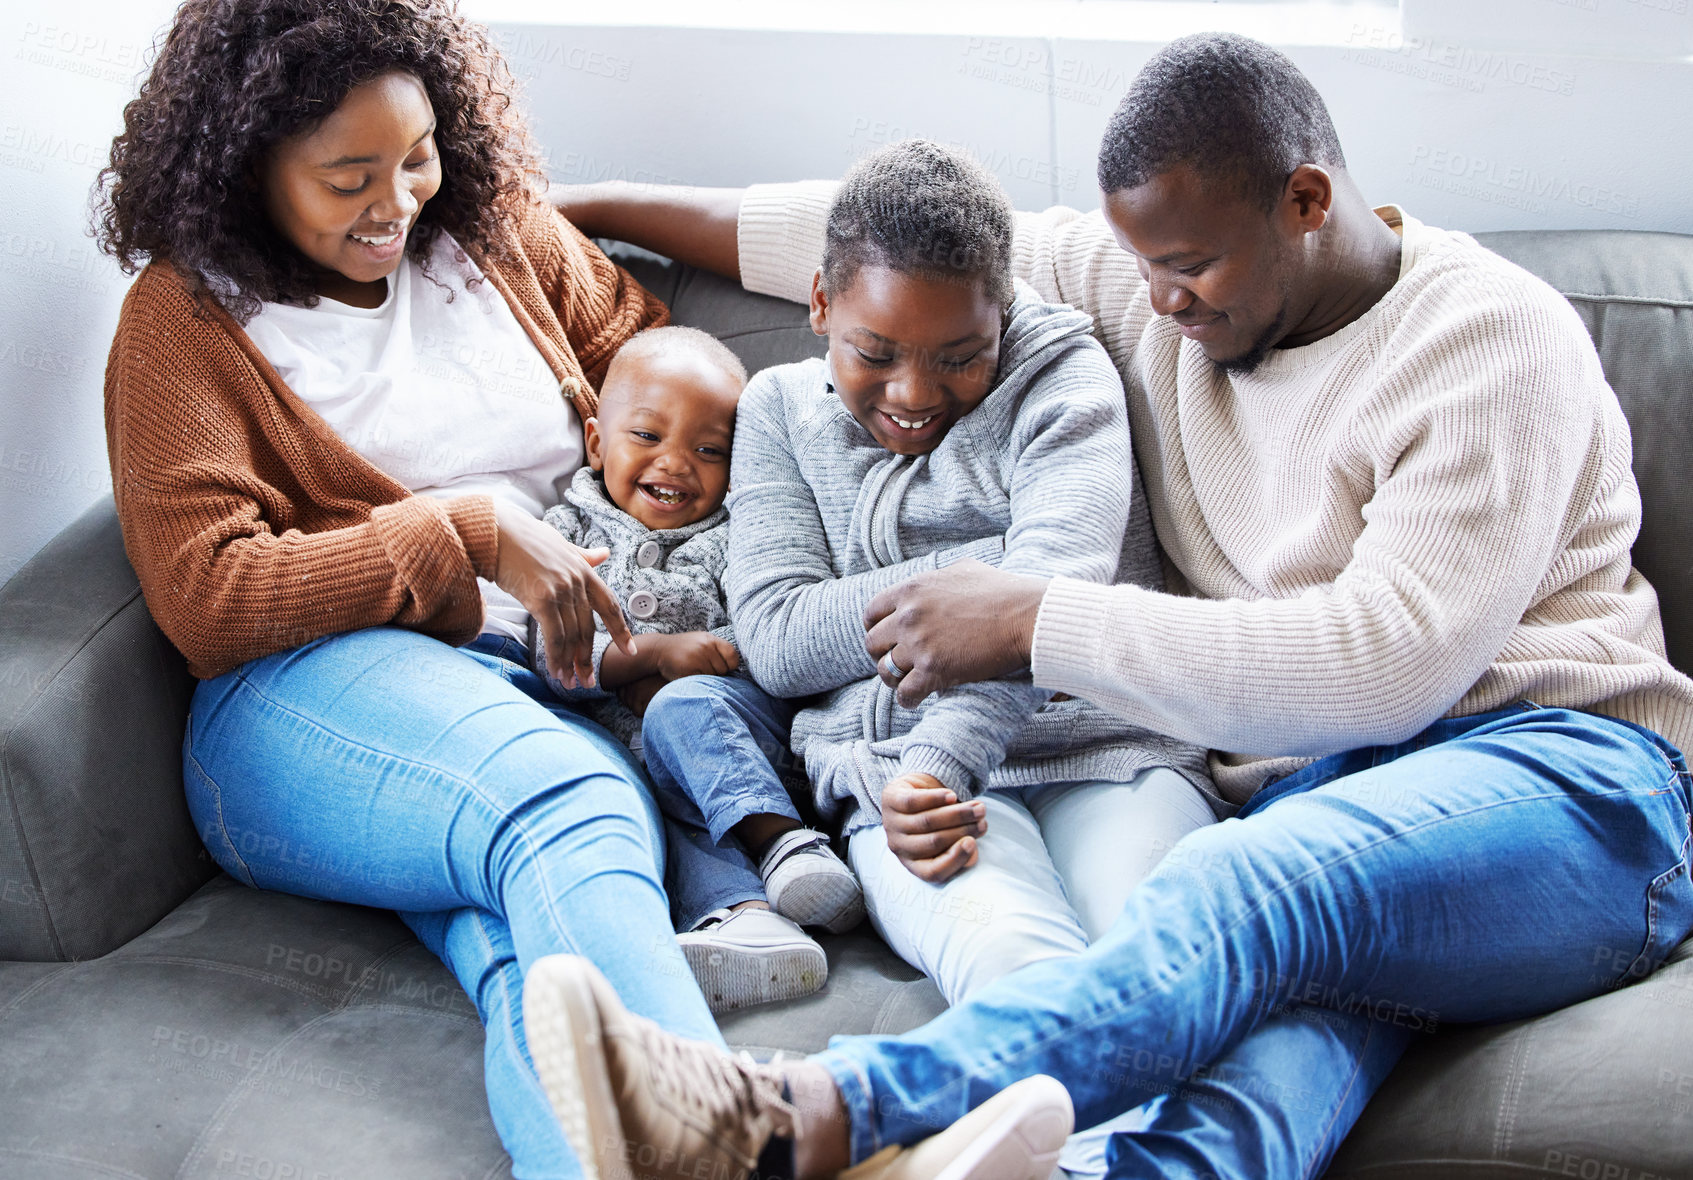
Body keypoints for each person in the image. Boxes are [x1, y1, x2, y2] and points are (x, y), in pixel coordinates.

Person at [522, 31, 1693, 1180]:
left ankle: (794, 1119)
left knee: (1239, 884)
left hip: (1571, 777)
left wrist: (1032, 619)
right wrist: (557, 205)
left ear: (1304, 199)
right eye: (1142, 267)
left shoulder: (1488, 342)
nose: (1159, 303)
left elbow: (1386, 666)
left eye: (1187, 268)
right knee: (1249, 1078)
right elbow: (839, 227)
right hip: (1338, 798)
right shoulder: (1160, 282)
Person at [93, 1, 730, 1175]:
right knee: (569, 807)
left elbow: (647, 358)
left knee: (535, 949)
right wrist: (469, 533)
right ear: (247, 164)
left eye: (419, 155)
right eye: (349, 176)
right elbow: (206, 594)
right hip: (299, 697)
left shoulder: (487, 238)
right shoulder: (183, 323)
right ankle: (757, 1143)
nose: (397, 202)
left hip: (539, 683)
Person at [721, 139, 1214, 1029]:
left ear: (1004, 317)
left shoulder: (1062, 377)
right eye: (874, 351)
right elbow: (779, 639)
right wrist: (988, 572)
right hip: (894, 782)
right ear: (822, 304)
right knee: (1013, 967)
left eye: (960, 356)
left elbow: (1044, 613)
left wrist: (945, 747)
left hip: (1105, 747)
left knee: (1159, 960)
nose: (915, 391)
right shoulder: (774, 411)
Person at [528, 324, 866, 1012]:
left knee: (679, 712)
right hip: (644, 759)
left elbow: (769, 631)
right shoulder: (563, 535)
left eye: (708, 450)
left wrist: (695, 657)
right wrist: (644, 657)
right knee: (643, 802)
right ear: (596, 442)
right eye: (647, 437)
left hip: (735, 730)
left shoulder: (735, 534)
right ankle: (748, 921)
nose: (676, 463)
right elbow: (550, 651)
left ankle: (786, 845)